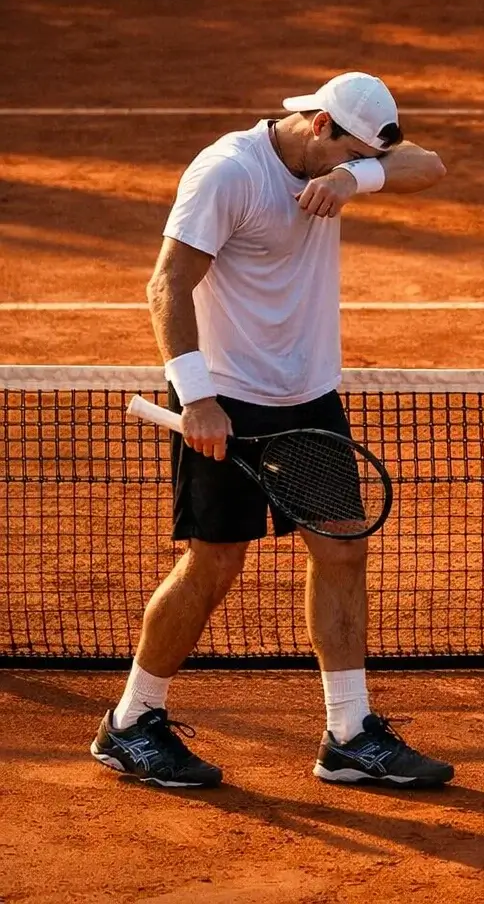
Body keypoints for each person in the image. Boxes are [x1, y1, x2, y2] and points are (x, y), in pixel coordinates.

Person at [90, 72, 454, 788]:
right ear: (319, 124)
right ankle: (131, 722)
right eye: (348, 152)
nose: (358, 165)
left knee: (342, 548)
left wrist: (353, 176)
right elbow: (166, 284)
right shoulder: (229, 173)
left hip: (307, 397)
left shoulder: (339, 162)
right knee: (214, 564)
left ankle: (348, 734)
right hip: (226, 397)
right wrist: (198, 399)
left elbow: (428, 165)